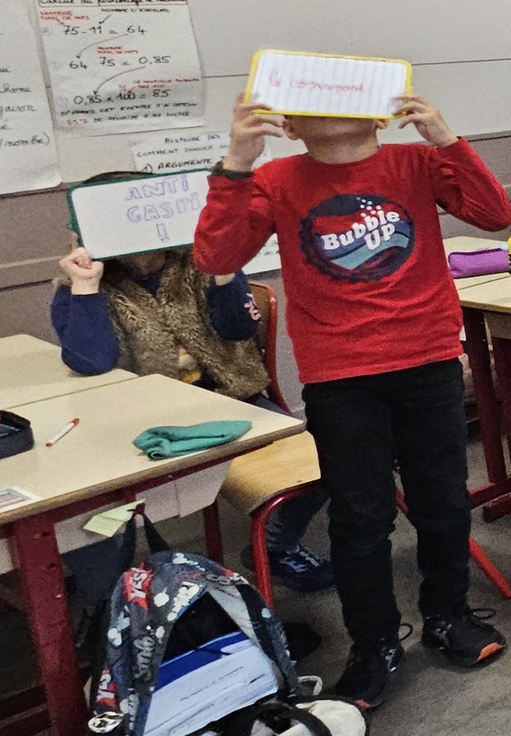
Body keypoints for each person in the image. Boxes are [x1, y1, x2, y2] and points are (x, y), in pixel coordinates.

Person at [195, 89, 511, 710]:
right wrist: (236, 162)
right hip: (340, 374)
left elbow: (494, 212)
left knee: (443, 501)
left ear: (377, 110)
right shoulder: (274, 180)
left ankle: (448, 614)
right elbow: (217, 256)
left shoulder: (415, 163)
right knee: (359, 518)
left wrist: (446, 138)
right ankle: (374, 643)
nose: (330, 107)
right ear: (290, 124)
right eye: (309, 100)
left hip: (426, 359)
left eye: (344, 95)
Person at [51, 185, 331, 593]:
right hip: (140, 422)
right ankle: (113, 600)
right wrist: (85, 285)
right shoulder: (81, 288)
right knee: (86, 506)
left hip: (233, 401)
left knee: (333, 458)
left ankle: (277, 544)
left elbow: (238, 327)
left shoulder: (198, 264)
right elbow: (91, 362)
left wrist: (224, 268)